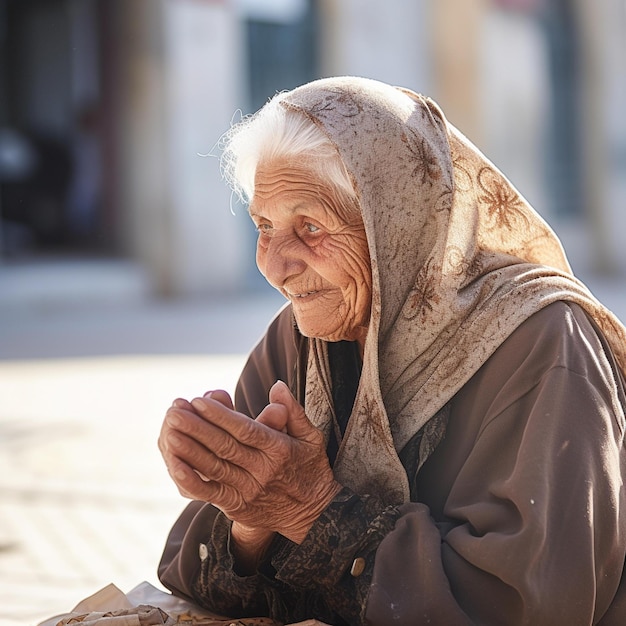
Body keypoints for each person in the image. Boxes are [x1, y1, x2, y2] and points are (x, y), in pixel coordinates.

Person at [157, 76, 626, 625]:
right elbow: (192, 573)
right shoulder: (298, 337)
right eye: (264, 225)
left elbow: (531, 605)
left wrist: (311, 511)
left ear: (396, 227)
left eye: (309, 227)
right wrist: (249, 516)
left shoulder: (542, 344)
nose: (275, 266)